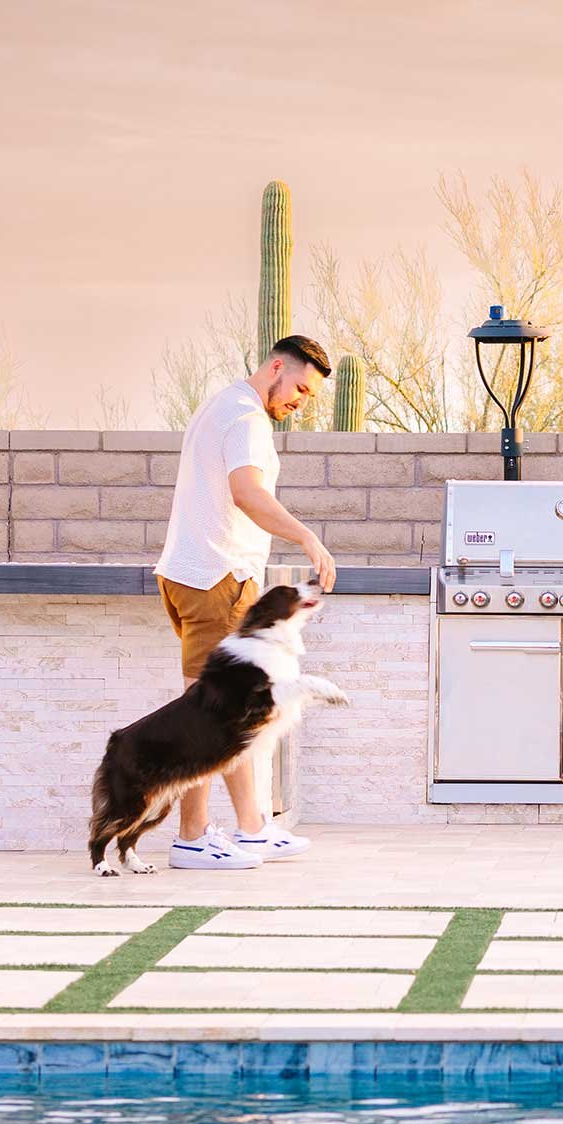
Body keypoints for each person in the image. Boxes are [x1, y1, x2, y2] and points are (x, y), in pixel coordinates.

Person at [152, 334, 338, 869]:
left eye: (308, 396)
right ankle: (191, 837)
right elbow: (247, 492)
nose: (299, 402)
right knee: (212, 713)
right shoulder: (248, 419)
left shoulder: (223, 403)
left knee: (229, 709)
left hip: (200, 575)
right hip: (216, 578)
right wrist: (308, 537)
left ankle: (253, 828)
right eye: (299, 388)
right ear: (276, 367)